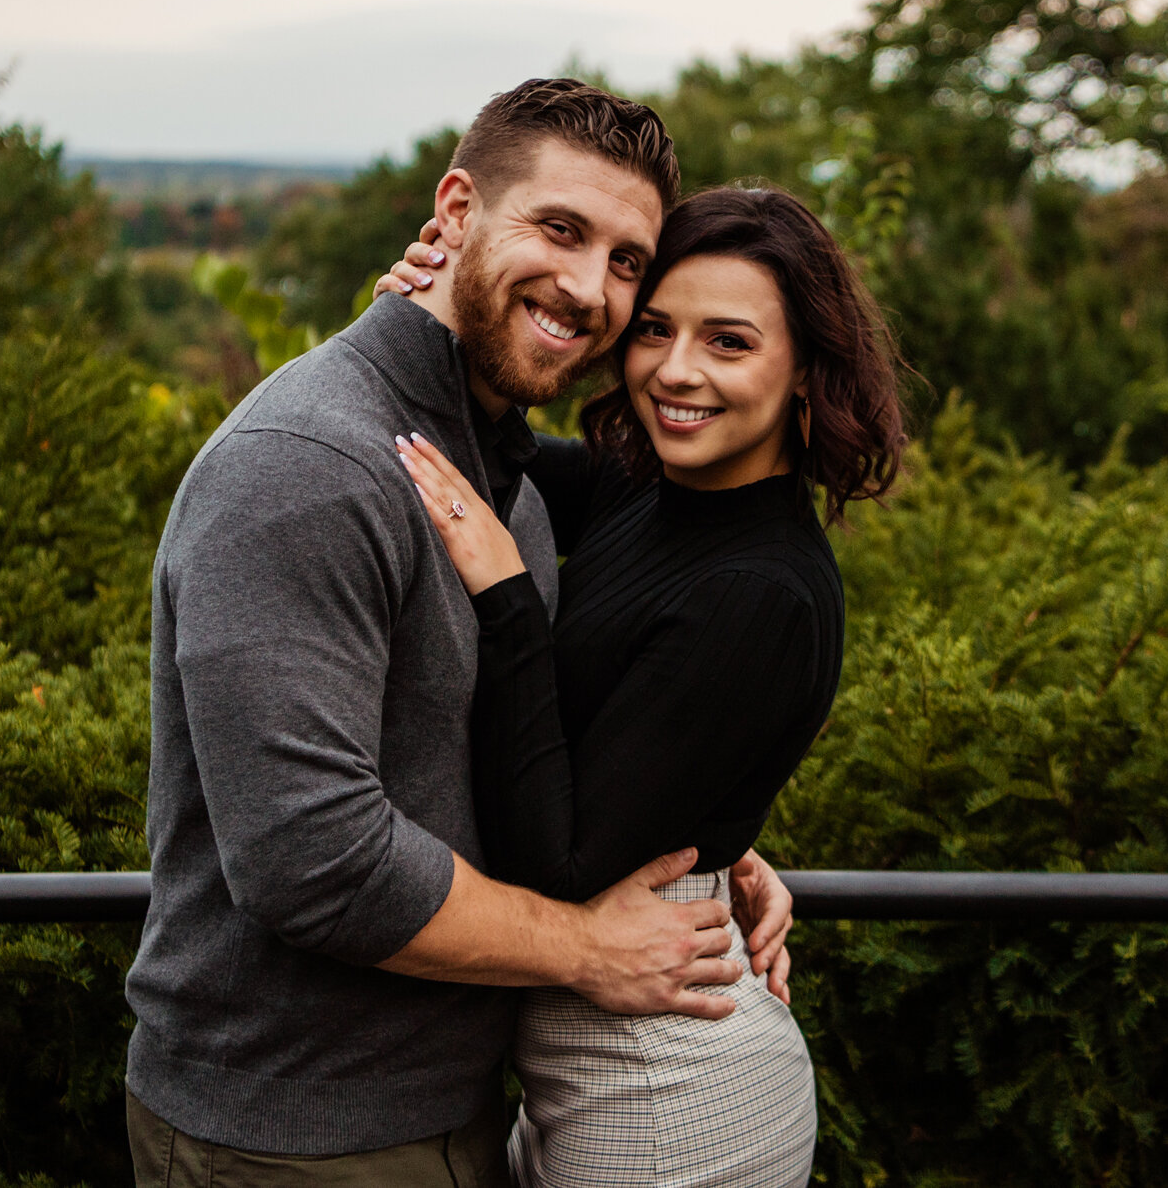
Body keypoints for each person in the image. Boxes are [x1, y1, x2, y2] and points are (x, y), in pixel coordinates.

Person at [124, 80, 798, 1188]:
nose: (588, 288)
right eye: (559, 229)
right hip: (295, 1136)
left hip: (449, 1110)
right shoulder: (308, 466)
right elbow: (313, 861)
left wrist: (698, 837)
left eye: (627, 260)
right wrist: (589, 948)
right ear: (454, 210)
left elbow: (482, 745)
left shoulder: (500, 469)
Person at [383, 184, 907, 1186]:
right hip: (589, 1072)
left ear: (806, 371)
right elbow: (480, 449)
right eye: (655, 329)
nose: (675, 372)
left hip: (669, 1094)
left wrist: (505, 597)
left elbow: (565, 864)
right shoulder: (644, 488)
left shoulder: (764, 592)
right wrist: (423, 317)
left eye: (728, 343)